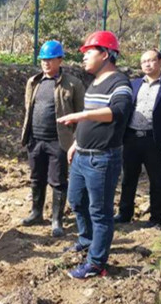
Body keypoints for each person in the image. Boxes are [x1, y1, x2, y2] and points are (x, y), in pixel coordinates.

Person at [57, 31, 133, 279]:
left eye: (89, 52)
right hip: (82, 155)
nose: (84, 57)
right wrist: (75, 143)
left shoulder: (120, 82)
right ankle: (86, 240)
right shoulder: (95, 82)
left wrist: (82, 115)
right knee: (76, 200)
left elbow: (118, 111)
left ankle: (96, 264)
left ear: (105, 54)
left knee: (100, 212)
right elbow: (91, 119)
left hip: (102, 159)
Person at [20, 40, 85, 237]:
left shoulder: (73, 84)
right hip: (35, 140)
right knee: (36, 178)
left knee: (57, 181)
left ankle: (57, 219)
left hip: (59, 141)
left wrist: (76, 140)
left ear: (60, 60)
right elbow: (28, 109)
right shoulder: (34, 82)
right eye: (43, 60)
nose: (46, 63)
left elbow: (81, 114)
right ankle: (36, 212)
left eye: (50, 59)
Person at [115, 49, 161, 228]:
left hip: (154, 140)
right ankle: (125, 213)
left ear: (160, 61)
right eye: (144, 61)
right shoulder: (134, 84)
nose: (147, 64)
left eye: (151, 60)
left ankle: (156, 218)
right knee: (128, 178)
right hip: (131, 138)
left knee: (157, 180)